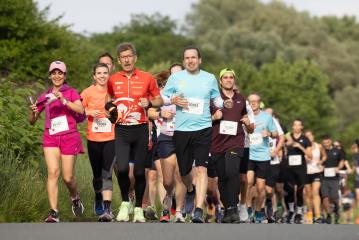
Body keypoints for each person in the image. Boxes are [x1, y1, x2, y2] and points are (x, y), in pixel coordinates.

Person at [162, 46, 233, 223]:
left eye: (193, 57)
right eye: (187, 58)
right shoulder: (176, 77)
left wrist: (224, 104)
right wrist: (172, 100)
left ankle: (199, 209)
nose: (190, 60)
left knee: (202, 169)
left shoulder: (209, 78)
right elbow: (163, 97)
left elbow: (216, 99)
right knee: (184, 170)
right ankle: (190, 190)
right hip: (182, 130)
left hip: (203, 129)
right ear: (184, 60)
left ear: (200, 60)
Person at [107, 42, 163, 223]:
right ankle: (125, 202)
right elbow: (109, 100)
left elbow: (159, 100)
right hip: (121, 130)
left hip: (140, 129)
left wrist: (151, 103)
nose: (127, 59)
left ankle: (139, 208)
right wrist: (110, 109)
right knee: (122, 170)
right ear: (119, 60)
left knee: (139, 172)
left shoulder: (147, 77)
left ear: (135, 58)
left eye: (130, 56)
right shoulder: (113, 79)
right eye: (123, 57)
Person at [29, 61, 85, 223]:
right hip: (51, 137)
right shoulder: (44, 96)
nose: (57, 76)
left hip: (69, 136)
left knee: (68, 178)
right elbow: (32, 121)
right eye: (53, 73)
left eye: (60, 73)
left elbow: (81, 110)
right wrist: (33, 113)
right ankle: (54, 212)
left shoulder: (72, 92)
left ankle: (75, 197)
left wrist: (64, 100)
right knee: (53, 172)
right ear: (50, 76)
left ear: (65, 76)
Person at [209, 68, 254, 223]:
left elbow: (251, 128)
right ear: (220, 81)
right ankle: (228, 210)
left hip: (236, 143)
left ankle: (233, 207)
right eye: (225, 77)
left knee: (232, 172)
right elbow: (202, 121)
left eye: (231, 77)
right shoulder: (213, 99)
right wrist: (214, 117)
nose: (228, 80)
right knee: (222, 177)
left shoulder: (241, 99)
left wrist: (248, 124)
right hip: (217, 144)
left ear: (234, 80)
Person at [81, 63, 116, 221]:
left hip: (111, 138)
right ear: (94, 76)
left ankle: (107, 209)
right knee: (97, 176)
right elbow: (77, 112)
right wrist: (87, 111)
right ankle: (98, 197)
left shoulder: (114, 91)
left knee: (107, 173)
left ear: (109, 74)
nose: (102, 75)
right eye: (99, 73)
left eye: (105, 73)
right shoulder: (88, 92)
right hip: (93, 139)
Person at [246, 93, 278, 223]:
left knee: (260, 187)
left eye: (256, 101)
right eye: (251, 101)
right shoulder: (245, 115)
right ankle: (247, 209)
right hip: (248, 154)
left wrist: (269, 133)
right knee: (248, 182)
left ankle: (259, 211)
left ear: (259, 103)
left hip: (263, 156)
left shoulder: (267, 117)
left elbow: (276, 134)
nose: (253, 103)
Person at [284, 119, 311, 224]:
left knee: (300, 189)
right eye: (294, 125)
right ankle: (291, 210)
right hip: (289, 167)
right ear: (292, 127)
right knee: (289, 189)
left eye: (298, 125)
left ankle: (299, 212)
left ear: (301, 127)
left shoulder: (305, 139)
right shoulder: (288, 137)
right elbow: (283, 149)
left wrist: (300, 147)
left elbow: (310, 155)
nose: (296, 127)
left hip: (300, 168)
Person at [264, 108, 285, 223]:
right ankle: (260, 212)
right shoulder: (257, 121)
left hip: (273, 161)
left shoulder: (274, 122)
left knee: (268, 190)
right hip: (260, 159)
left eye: (270, 114)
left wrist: (276, 150)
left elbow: (282, 137)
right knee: (258, 187)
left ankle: (271, 205)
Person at [321, 134, 345, 224]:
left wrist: (338, 167)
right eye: (324, 143)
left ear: (330, 141)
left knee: (334, 197)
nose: (326, 144)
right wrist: (320, 166)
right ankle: (328, 215)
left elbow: (342, 161)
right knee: (325, 197)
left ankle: (336, 209)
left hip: (334, 178)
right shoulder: (322, 152)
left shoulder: (337, 151)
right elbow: (319, 162)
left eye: (327, 142)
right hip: (324, 178)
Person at [304, 130, 327, 223]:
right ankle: (310, 214)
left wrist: (321, 162)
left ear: (313, 136)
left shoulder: (319, 146)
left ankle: (318, 215)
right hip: (306, 172)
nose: (309, 137)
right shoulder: (303, 147)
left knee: (315, 192)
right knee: (308, 195)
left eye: (310, 135)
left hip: (316, 172)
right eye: (307, 136)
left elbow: (324, 156)